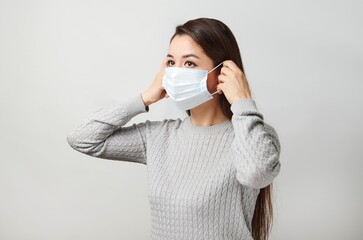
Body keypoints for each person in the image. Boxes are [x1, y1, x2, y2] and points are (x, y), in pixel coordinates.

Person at [67, 17, 281, 240]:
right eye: (171, 63)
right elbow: (82, 138)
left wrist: (242, 103)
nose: (176, 73)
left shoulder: (255, 135)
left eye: (189, 63)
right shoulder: (158, 136)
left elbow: (257, 173)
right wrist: (144, 98)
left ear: (224, 73)